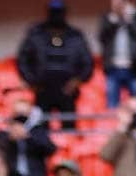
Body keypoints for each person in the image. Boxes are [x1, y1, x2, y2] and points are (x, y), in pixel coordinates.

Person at [17, 0, 95, 129]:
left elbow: (87, 63)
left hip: (67, 90)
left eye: (59, 12)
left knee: (69, 128)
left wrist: (78, 80)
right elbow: (23, 61)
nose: (56, 16)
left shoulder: (75, 36)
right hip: (42, 89)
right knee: (40, 128)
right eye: (54, 12)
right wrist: (31, 81)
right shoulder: (35, 34)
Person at [0, 98, 56, 176]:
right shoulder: (4, 132)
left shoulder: (37, 131)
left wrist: (28, 137)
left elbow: (50, 149)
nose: (21, 118)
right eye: (17, 114)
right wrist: (10, 138)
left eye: (24, 114)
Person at [99, 0, 136, 106]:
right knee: (112, 103)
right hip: (113, 67)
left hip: (135, 67)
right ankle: (112, 123)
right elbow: (102, 38)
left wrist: (130, 19)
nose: (119, 6)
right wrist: (114, 20)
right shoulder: (108, 18)